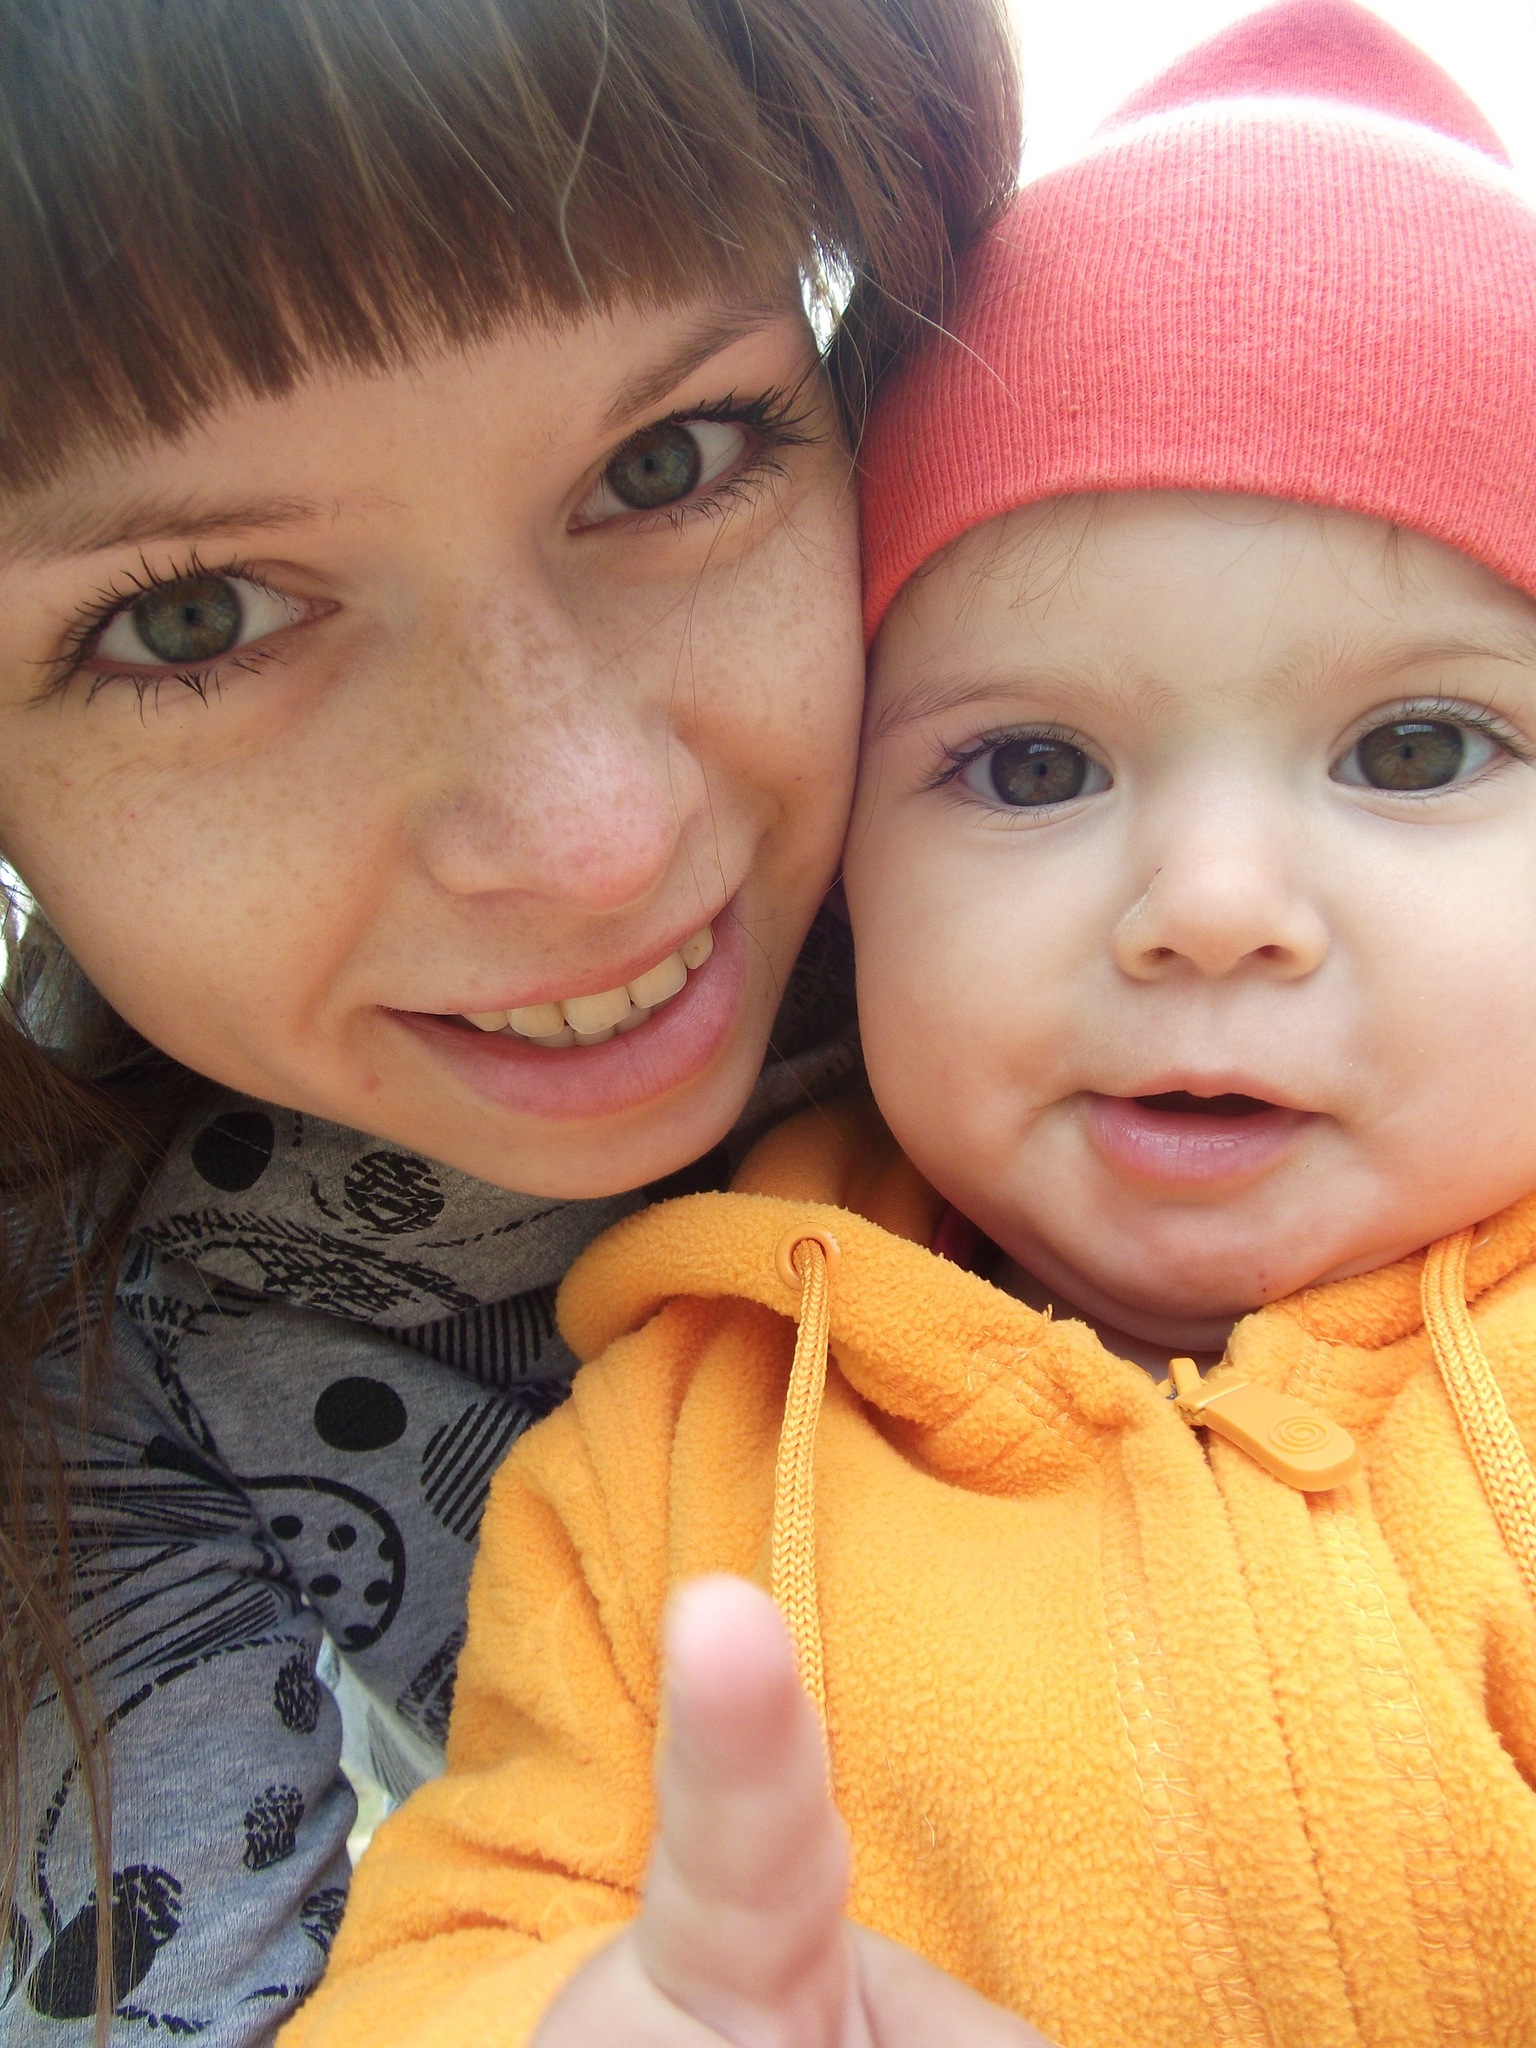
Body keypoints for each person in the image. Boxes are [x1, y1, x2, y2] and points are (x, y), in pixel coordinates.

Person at [275, 5, 1536, 2045]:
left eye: (1415, 747)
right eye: (1032, 768)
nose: (1211, 905)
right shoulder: (677, 1463)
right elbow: (456, 1936)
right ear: (852, 865)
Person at [0, 0, 1021, 2038]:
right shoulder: (88, 1366)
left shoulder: (1157, 812)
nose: (595, 839)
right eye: (196, 619)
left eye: (669, 459)